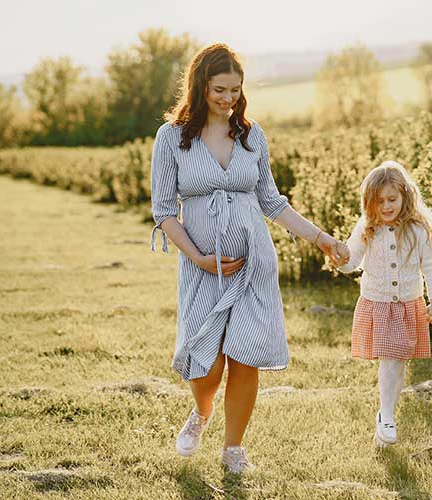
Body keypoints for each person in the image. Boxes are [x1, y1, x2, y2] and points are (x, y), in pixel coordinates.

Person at [150, 43, 349, 473]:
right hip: (203, 266)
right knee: (207, 362)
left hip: (253, 262)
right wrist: (199, 258)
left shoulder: (250, 135)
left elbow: (272, 202)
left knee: (244, 355)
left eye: (236, 91)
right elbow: (164, 211)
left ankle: (233, 447)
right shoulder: (171, 138)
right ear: (200, 85)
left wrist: (322, 239)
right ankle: (201, 413)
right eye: (220, 90)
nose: (228, 99)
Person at [337, 160, 432, 447]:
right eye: (379, 201)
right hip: (378, 303)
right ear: (369, 202)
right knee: (390, 360)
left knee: (398, 362)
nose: (386, 206)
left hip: (408, 304)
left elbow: (431, 266)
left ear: (404, 197)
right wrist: (338, 258)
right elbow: (351, 261)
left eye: (392, 199)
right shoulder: (367, 228)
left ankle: (385, 415)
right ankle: (386, 415)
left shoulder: (416, 230)